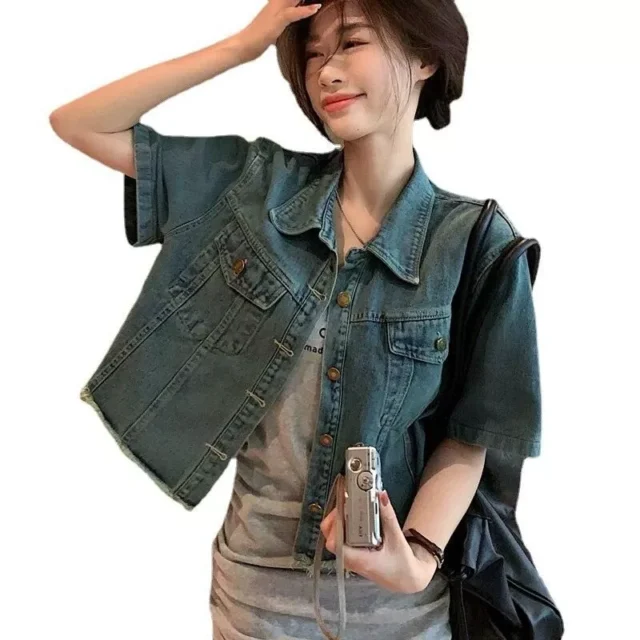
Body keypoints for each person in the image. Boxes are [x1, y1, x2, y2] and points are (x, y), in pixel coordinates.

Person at [50, 1, 542, 638]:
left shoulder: (475, 244)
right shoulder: (258, 190)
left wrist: (418, 558)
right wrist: (243, 45)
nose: (326, 72)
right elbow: (79, 123)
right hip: (253, 599)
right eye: (312, 55)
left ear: (424, 57)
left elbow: (473, 432)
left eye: (352, 43)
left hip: (398, 612)